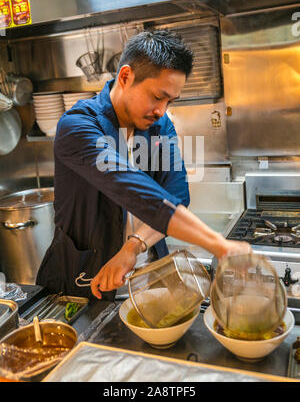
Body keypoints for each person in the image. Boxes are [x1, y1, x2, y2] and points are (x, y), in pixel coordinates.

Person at [36, 29, 250, 300]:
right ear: (126, 77)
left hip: (149, 274)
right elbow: (133, 189)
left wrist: (133, 246)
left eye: (170, 101)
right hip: (83, 279)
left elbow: (176, 195)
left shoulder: (160, 125)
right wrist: (218, 244)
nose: (162, 110)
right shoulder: (78, 127)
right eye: (158, 96)